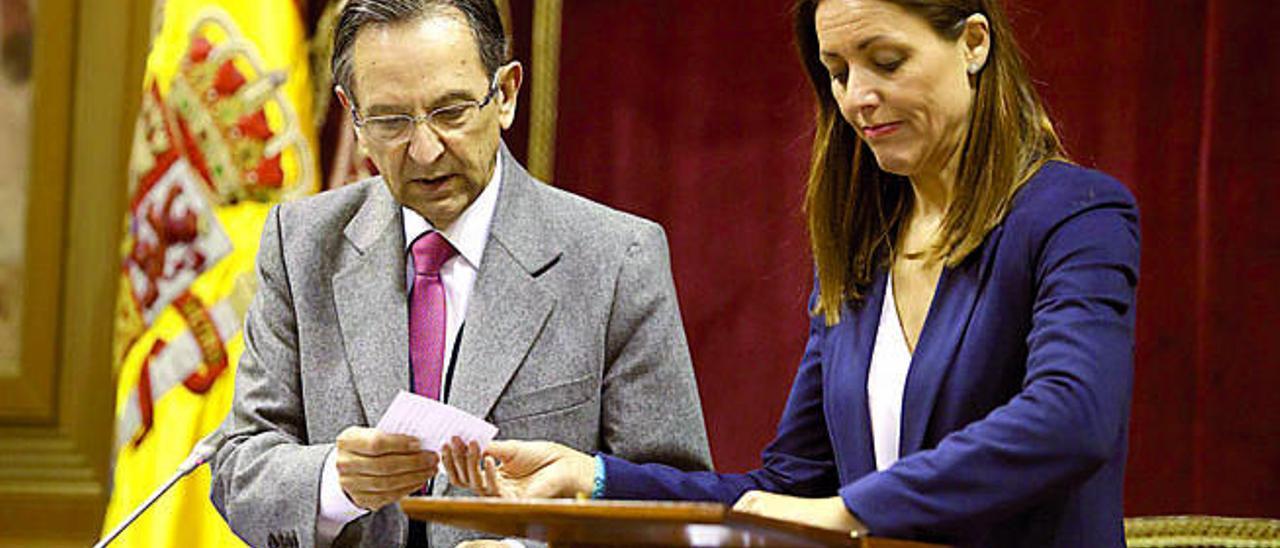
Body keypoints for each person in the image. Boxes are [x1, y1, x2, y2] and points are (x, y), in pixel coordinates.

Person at [442, 0, 1139, 546]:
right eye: (837, 72)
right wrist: (591, 480)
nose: (858, 97)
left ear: (974, 43)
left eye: (887, 61)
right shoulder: (862, 255)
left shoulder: (1074, 215)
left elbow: (1071, 420)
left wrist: (851, 509)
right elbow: (787, 486)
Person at [207, 1, 713, 546]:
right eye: (390, 120)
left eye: (450, 112)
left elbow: (675, 502)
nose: (424, 152)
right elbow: (239, 466)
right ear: (352, 117)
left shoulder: (615, 258)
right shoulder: (301, 243)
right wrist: (337, 480)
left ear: (507, 95)